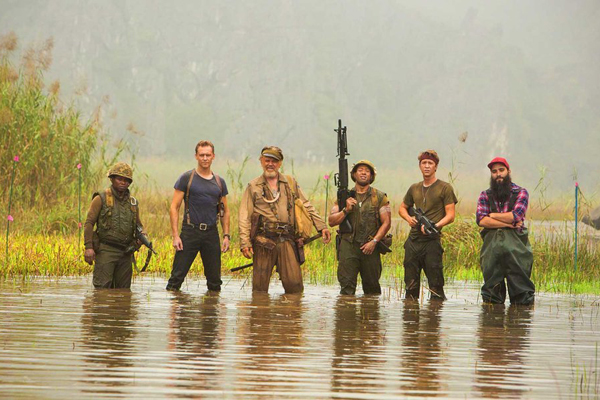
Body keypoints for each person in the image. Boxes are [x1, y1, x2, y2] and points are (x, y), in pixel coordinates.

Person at [238, 146, 331, 293]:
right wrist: (245, 242)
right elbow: (244, 216)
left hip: (287, 239)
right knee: (259, 290)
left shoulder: (290, 182)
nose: (270, 164)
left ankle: (292, 314)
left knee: (295, 287)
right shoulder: (253, 186)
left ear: (280, 163)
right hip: (263, 241)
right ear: (261, 161)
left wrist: (322, 226)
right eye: (267, 160)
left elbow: (306, 204)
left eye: (274, 161)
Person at [166, 140, 230, 291]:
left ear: (213, 156)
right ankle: (175, 311)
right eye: (202, 155)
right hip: (190, 231)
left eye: (208, 155)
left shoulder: (219, 182)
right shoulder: (186, 178)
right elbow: (174, 207)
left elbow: (225, 211)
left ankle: (211, 312)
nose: (205, 158)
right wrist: (176, 236)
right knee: (176, 278)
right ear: (196, 156)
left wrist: (226, 235)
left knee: (215, 282)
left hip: (211, 233)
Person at [398, 150, 457, 300]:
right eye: (424, 163)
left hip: (431, 242)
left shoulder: (445, 188)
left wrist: (435, 226)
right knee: (410, 287)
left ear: (436, 167)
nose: (427, 166)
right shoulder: (414, 188)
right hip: (413, 241)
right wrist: (408, 218)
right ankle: (411, 320)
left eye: (430, 163)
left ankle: (434, 319)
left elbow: (451, 215)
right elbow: (402, 208)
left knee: (436, 287)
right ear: (419, 166)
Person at [476, 157, 535, 305]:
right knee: (491, 297)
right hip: (491, 251)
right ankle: (492, 327)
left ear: (508, 171)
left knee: (522, 296)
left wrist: (493, 215)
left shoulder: (521, 192)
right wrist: (508, 224)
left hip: (517, 252)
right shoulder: (485, 195)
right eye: (494, 171)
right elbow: (481, 221)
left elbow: (516, 216)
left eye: (501, 170)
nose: (498, 174)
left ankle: (519, 325)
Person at [328, 160, 391, 295]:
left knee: (372, 289)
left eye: (367, 171)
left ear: (372, 176)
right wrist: (345, 210)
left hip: (370, 248)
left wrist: (374, 242)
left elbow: (386, 223)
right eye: (360, 170)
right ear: (354, 175)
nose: (363, 173)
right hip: (348, 247)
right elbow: (331, 221)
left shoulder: (379, 197)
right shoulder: (344, 196)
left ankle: (370, 315)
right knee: (346, 288)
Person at [84, 162, 145, 289]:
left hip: (126, 253)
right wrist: (88, 247)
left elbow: (138, 225)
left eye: (127, 180)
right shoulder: (101, 198)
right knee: (102, 292)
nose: (123, 182)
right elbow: (89, 223)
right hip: (106, 250)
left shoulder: (133, 203)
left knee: (123, 294)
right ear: (112, 179)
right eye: (119, 179)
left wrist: (142, 237)